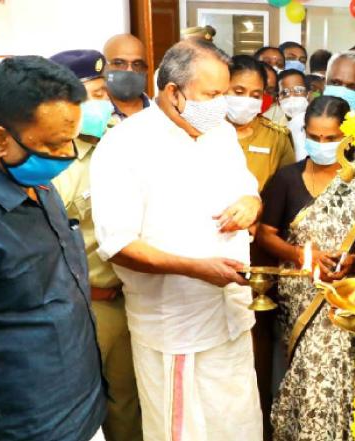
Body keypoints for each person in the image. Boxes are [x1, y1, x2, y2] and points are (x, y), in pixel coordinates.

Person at [91, 39, 263, 441]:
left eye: (224, 93)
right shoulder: (125, 145)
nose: (221, 105)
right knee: (183, 431)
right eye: (212, 95)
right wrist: (196, 269)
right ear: (173, 92)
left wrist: (250, 204)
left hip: (232, 317)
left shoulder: (221, 134)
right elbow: (119, 245)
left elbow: (248, 190)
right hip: (177, 328)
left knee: (238, 425)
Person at [0, 55, 106, 441]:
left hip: (81, 409)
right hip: (28, 425)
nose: (68, 154)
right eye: (53, 145)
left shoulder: (37, 185)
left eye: (71, 139)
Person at [50, 49, 143, 441]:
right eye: (96, 95)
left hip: (125, 300)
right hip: (79, 306)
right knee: (76, 414)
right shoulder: (51, 161)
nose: (106, 103)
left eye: (106, 93)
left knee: (128, 407)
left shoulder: (120, 144)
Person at [256, 95, 355, 441]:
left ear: (348, 137)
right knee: (304, 381)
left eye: (331, 138)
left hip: (346, 300)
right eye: (314, 137)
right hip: (300, 299)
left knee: (337, 380)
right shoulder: (287, 179)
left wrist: (354, 260)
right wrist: (305, 256)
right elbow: (266, 235)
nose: (322, 144)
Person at [226, 55, 295, 191]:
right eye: (239, 92)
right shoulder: (201, 130)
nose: (247, 100)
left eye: (256, 96)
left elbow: (287, 189)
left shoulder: (276, 138)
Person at [289, 51, 355, 160]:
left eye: (351, 87)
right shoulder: (297, 125)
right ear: (325, 83)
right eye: (336, 83)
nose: (342, 91)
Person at [104, 34, 151, 121]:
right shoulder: (88, 116)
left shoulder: (161, 115)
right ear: (104, 67)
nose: (129, 70)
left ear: (145, 70)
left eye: (137, 64)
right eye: (119, 63)